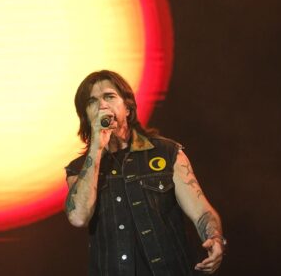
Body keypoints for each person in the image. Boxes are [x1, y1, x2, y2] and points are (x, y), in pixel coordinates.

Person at [64, 70, 225, 275]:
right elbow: (78, 217)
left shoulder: (167, 153)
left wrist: (215, 238)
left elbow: (202, 212)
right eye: (92, 101)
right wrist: (96, 147)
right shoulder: (79, 169)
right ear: (86, 116)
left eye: (109, 96)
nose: (102, 105)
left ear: (128, 107)